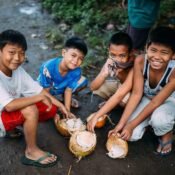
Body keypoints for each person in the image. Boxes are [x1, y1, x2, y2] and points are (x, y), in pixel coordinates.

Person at [0, 29, 70, 167]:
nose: (17, 58)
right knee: (30, 109)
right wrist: (38, 98)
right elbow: (9, 106)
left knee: (50, 107)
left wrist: (62, 107)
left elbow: (39, 91)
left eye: (21, 53)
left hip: (6, 111)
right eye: (12, 52)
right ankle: (31, 151)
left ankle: (15, 128)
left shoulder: (17, 71)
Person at [108, 26, 175, 156]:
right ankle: (150, 122)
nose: (157, 56)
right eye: (153, 50)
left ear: (173, 55)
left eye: (164, 52)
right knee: (130, 136)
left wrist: (131, 125)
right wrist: (121, 125)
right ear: (146, 48)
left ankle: (167, 133)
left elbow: (156, 102)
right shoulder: (140, 61)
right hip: (149, 98)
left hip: (170, 100)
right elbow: (136, 94)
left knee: (160, 120)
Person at [87, 32, 134, 132]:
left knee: (123, 99)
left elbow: (129, 89)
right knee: (99, 87)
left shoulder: (136, 63)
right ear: (109, 51)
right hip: (120, 87)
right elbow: (92, 87)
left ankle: (115, 105)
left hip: (134, 92)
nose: (117, 59)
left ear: (130, 53)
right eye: (113, 55)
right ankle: (112, 103)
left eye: (122, 56)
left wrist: (121, 73)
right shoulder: (111, 60)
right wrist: (104, 73)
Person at [37, 36, 88, 116]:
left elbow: (68, 90)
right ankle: (57, 103)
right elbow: (45, 92)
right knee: (46, 109)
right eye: (73, 55)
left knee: (84, 82)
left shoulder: (76, 71)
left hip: (59, 88)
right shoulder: (48, 67)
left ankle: (64, 99)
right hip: (45, 89)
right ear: (64, 53)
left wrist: (67, 110)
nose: (76, 61)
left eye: (80, 58)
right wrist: (58, 106)